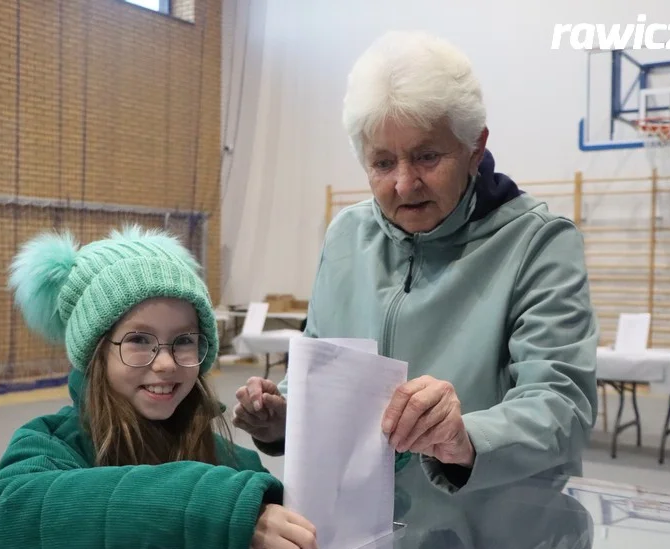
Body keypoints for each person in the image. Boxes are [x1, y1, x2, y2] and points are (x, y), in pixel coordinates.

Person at [233, 31, 598, 493]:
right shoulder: (346, 235)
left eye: (427, 156)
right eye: (383, 163)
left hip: (494, 536)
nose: (405, 185)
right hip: (358, 523)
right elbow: (322, 367)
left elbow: (563, 407)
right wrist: (284, 416)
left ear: (475, 147)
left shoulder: (538, 243)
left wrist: (466, 437)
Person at [0, 226, 318, 549]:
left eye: (184, 341)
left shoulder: (233, 465)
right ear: (94, 353)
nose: (167, 363)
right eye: (139, 340)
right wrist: (207, 511)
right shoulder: (53, 445)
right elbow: (11, 516)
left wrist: (289, 433)